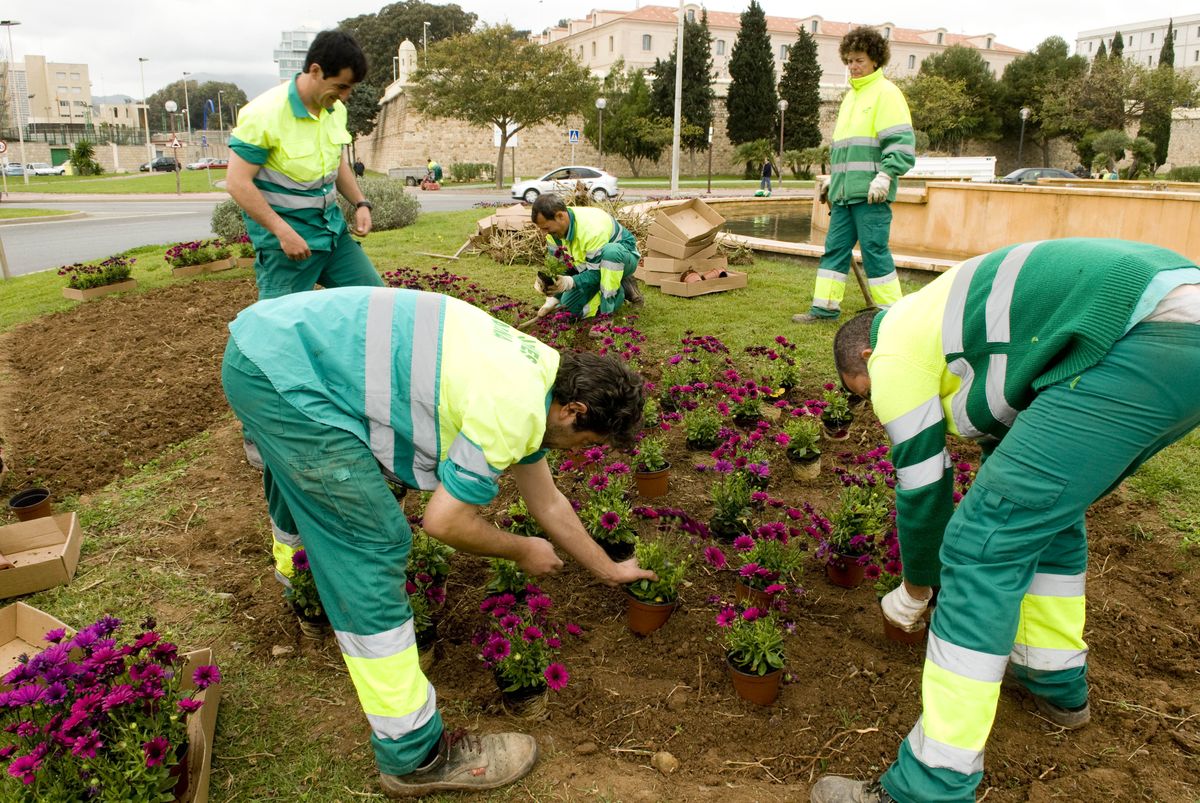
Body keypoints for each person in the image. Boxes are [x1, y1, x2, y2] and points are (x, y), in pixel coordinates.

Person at [222, 285, 657, 798]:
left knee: (295, 472)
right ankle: (414, 754)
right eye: (589, 443)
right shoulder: (514, 409)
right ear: (574, 410)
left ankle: (295, 577)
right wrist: (520, 547)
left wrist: (609, 569)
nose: (583, 453)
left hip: (271, 340)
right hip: (283, 373)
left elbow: (548, 501)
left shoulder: (538, 370)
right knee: (372, 543)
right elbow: (444, 523)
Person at [812, 237, 1200, 803]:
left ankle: (930, 784)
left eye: (863, 396)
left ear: (863, 361)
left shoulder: (892, 352)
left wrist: (915, 590)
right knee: (1046, 519)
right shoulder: (943, 320)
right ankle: (1054, 678)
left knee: (979, 546)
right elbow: (1012, 431)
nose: (874, 409)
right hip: (1169, 321)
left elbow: (924, 491)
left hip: (1137, 334)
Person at [226, 30, 383, 301]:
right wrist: (283, 232)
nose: (345, 96)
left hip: (333, 235)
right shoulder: (264, 113)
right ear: (315, 70)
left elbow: (336, 162)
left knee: (376, 304)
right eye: (341, 86)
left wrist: (360, 203)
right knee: (275, 326)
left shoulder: (335, 110)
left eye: (350, 88)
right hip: (287, 245)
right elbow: (237, 183)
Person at [794, 26, 915, 325]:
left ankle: (892, 315)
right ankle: (824, 309)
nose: (853, 67)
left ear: (875, 59)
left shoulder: (887, 93)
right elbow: (846, 152)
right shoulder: (851, 98)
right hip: (845, 195)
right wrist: (834, 181)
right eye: (848, 61)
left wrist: (885, 176)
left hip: (872, 193)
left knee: (874, 251)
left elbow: (901, 145)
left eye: (859, 60)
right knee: (834, 249)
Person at [530, 193, 643, 321]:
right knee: (567, 313)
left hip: (621, 258)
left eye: (546, 228)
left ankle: (609, 309)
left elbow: (597, 272)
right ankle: (618, 283)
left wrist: (570, 282)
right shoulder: (553, 232)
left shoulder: (591, 229)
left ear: (560, 216)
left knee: (610, 255)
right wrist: (553, 297)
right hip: (589, 264)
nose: (544, 233)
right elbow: (560, 267)